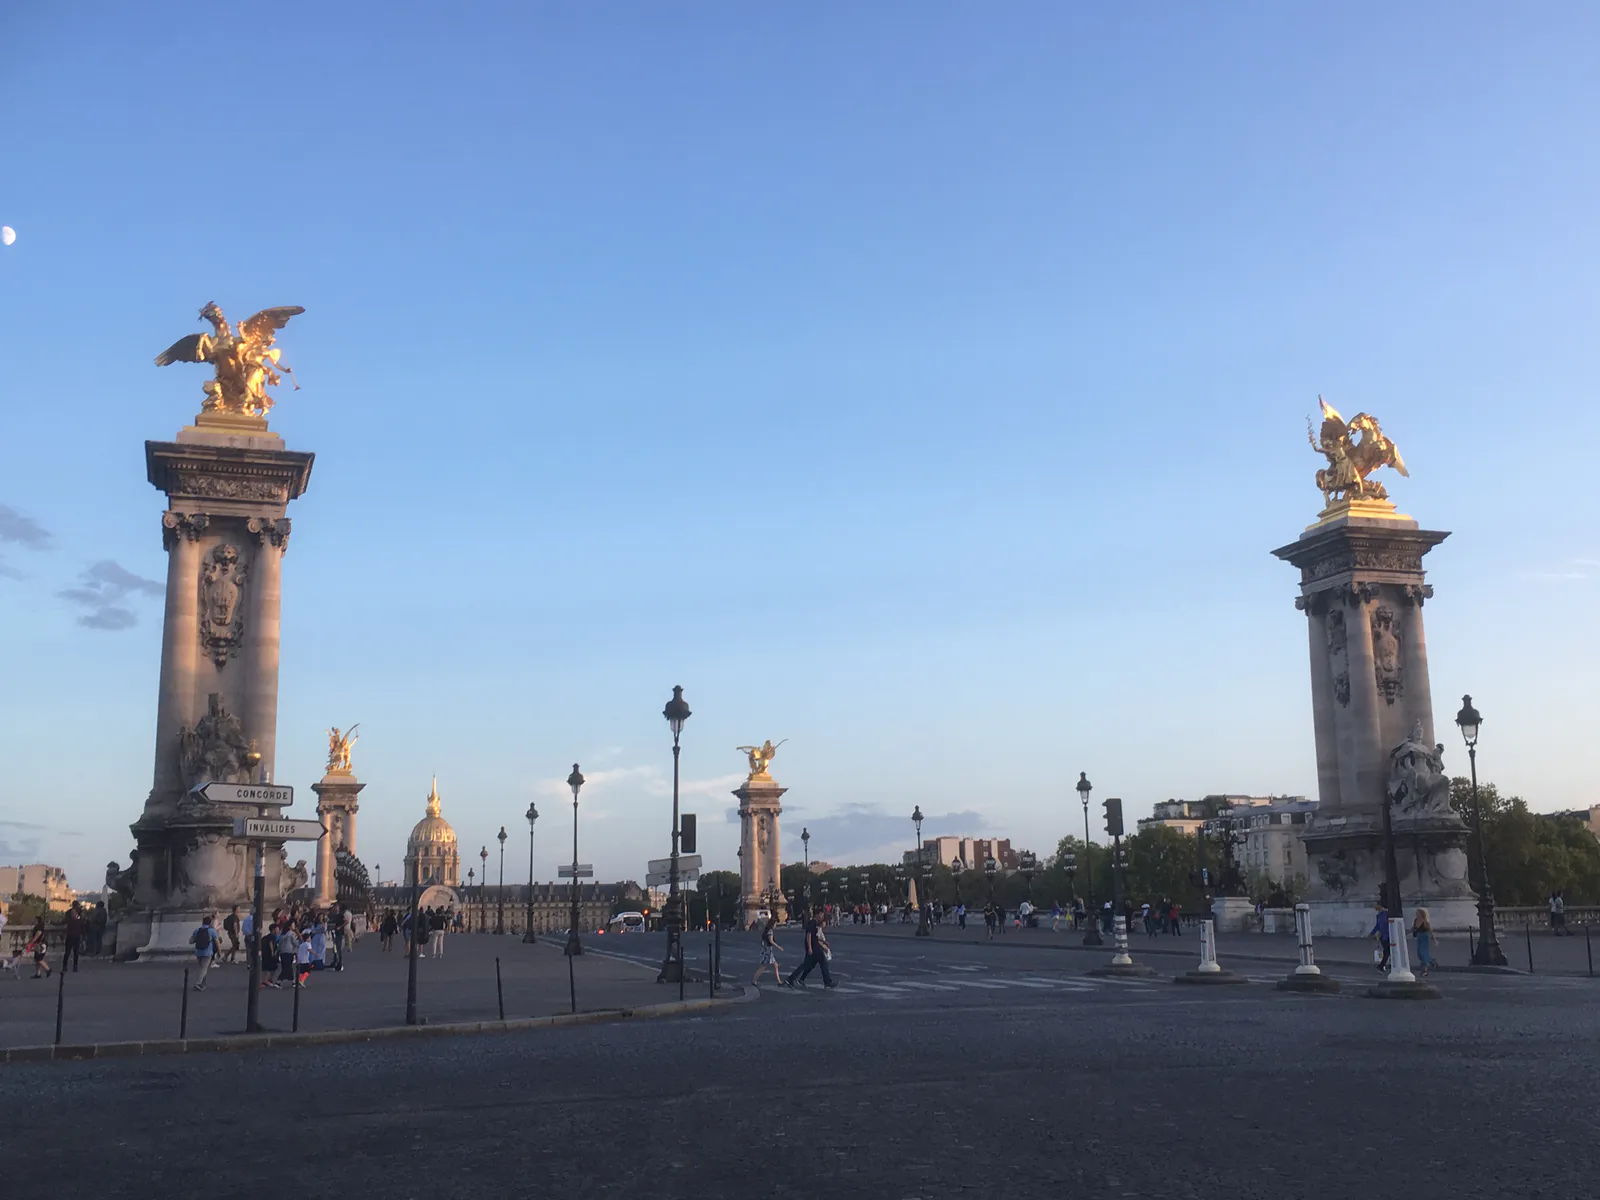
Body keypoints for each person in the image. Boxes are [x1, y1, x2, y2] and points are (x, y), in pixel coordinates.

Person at [784, 910, 836, 989]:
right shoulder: (812, 923)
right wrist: (810, 947)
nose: (822, 916)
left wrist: (823, 942)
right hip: (814, 947)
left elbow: (815, 936)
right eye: (821, 914)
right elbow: (809, 935)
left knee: (808, 965)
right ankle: (827, 981)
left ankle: (793, 979)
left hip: (815, 947)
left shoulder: (814, 923)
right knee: (823, 963)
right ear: (817, 915)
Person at [751, 916, 782, 987]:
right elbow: (771, 941)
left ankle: (779, 981)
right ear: (772, 924)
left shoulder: (766, 931)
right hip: (768, 952)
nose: (775, 926)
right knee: (763, 967)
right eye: (775, 924)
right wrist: (778, 947)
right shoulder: (770, 931)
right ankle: (754, 980)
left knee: (775, 965)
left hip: (766, 950)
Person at [191, 914, 218, 990]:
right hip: (207, 952)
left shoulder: (197, 930)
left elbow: (191, 941)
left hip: (198, 951)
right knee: (204, 968)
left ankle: (203, 984)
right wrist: (219, 951)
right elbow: (217, 942)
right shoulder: (211, 931)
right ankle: (198, 983)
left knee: (202, 967)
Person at [62, 901, 87, 972]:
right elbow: (84, 926)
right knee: (73, 953)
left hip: (73, 937)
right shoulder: (80, 917)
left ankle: (68, 966)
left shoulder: (69, 916)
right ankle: (72, 967)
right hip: (74, 937)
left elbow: (62, 922)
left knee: (70, 953)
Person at [1412, 907, 1434, 978]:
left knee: (1423, 953)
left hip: (1424, 936)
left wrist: (1434, 939)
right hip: (1419, 936)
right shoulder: (1416, 920)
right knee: (1419, 953)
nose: (1416, 913)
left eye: (1418, 912)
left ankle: (1425, 970)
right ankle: (1431, 961)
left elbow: (1430, 930)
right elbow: (1413, 928)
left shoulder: (1425, 921)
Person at [1370, 901, 1391, 972]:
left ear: (1380, 906)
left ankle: (1381, 966)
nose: (1374, 906)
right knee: (1387, 952)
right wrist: (1372, 933)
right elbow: (1378, 925)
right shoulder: (1379, 915)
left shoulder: (1386, 914)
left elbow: (1386, 925)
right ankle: (1382, 966)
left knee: (1387, 952)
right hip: (1383, 936)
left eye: (1376, 905)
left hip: (1388, 935)